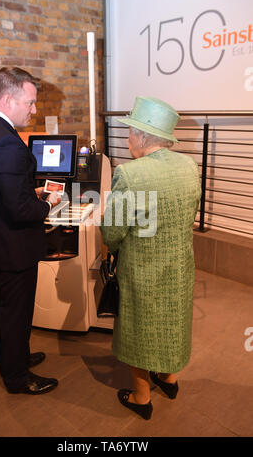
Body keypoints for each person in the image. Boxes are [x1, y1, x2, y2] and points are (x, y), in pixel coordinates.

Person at [100, 97, 201, 420]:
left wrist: (112, 247)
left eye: (130, 132)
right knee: (173, 320)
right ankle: (169, 379)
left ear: (143, 137)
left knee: (138, 327)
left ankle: (141, 396)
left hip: (142, 268)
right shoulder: (189, 166)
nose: (128, 138)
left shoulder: (130, 174)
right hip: (180, 264)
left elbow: (112, 232)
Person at [0, 67, 61, 395]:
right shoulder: (7, 142)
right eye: (30, 103)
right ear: (8, 99)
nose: (34, 110)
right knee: (15, 312)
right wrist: (49, 205)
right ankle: (17, 378)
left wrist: (26, 194)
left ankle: (13, 358)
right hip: (13, 245)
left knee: (3, 307)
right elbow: (19, 210)